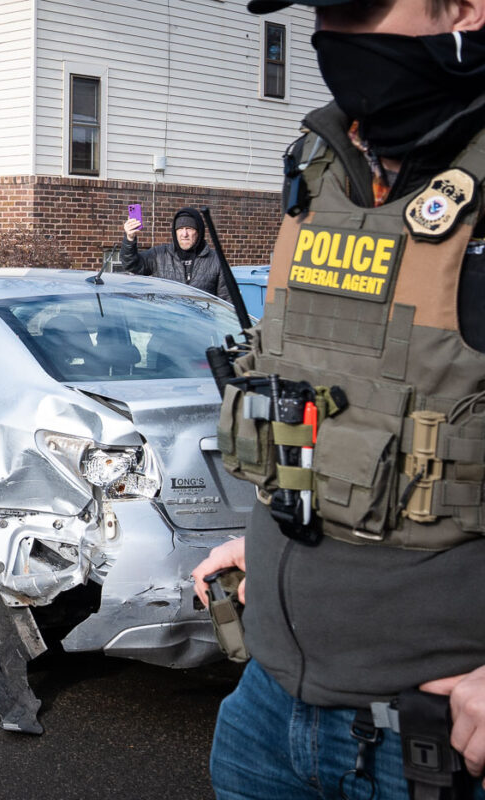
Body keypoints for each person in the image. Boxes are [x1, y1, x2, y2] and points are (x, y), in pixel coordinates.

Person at [191, 1, 485, 798]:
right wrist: (270, 542)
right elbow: (340, 401)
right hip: (267, 712)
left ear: (466, 9)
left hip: (431, 745)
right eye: (322, 8)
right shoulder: (320, 168)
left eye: (358, 6)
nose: (334, 37)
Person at [120, 206, 231, 301]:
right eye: (180, 229)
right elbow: (131, 264)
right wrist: (129, 239)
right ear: (175, 232)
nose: (184, 234)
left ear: (199, 232)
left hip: (201, 324)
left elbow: (227, 301)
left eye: (189, 228)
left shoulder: (216, 260)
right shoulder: (159, 255)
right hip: (168, 324)